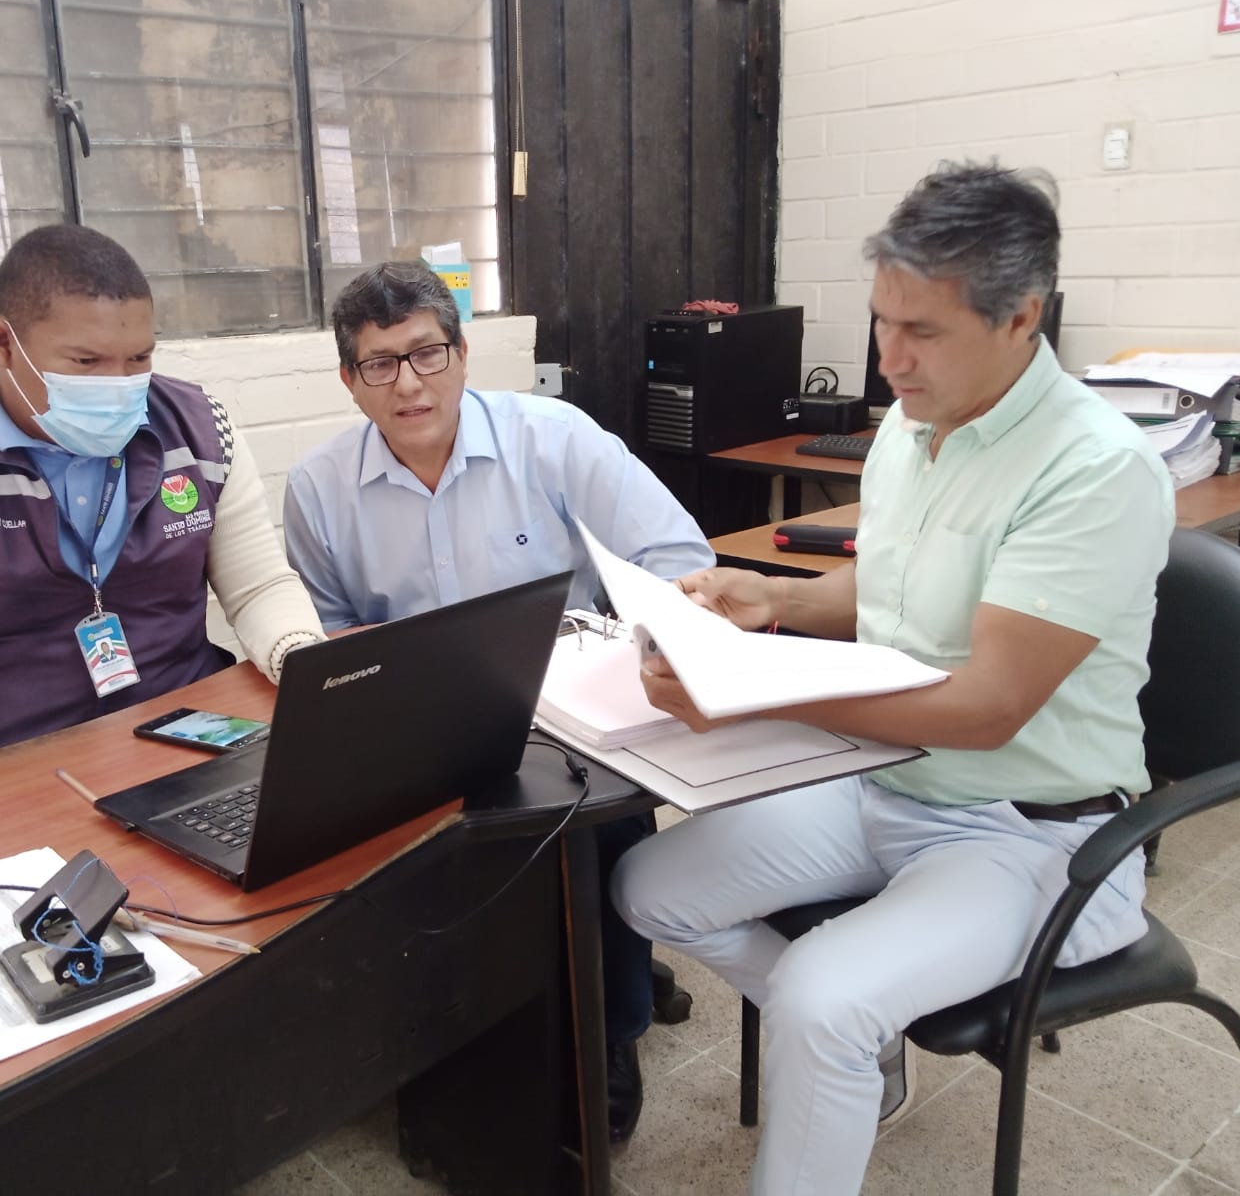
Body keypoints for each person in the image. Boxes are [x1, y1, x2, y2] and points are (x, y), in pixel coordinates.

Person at [612, 161, 1174, 1195]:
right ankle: (857, 1056)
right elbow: (889, 588)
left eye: (922, 331)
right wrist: (767, 600)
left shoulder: (1093, 468)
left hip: (1034, 833)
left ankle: (836, 1041)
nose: (889, 359)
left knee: (819, 999)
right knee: (649, 889)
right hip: (885, 781)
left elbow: (988, 705)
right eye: (881, 321)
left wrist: (753, 686)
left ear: (1022, 318)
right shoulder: (913, 428)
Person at [283, 260, 716, 1143]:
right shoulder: (318, 489)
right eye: (379, 364)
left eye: (426, 353)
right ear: (349, 379)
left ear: (461, 353)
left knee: (597, 835)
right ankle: (443, 1039)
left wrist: (639, 654)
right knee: (384, 852)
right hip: (421, 726)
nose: (409, 384)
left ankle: (611, 1029)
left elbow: (677, 561)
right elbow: (323, 635)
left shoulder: (553, 438)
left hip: (572, 711)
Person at [0, 224, 324, 886]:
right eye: (86, 362)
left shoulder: (199, 428)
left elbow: (260, 585)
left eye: (139, 358)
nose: (121, 386)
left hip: (180, 744)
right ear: (4, 343)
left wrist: (302, 662)